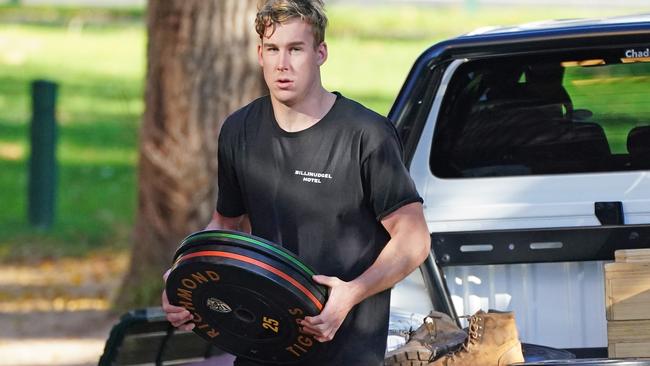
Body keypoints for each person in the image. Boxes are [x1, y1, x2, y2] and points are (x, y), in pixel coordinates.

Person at [162, 0, 431, 365]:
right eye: (272, 49)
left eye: (295, 49)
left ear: (320, 53)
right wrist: (181, 276)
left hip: (345, 348)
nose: (282, 64)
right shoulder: (239, 130)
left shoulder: (365, 134)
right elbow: (225, 224)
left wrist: (351, 293)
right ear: (259, 54)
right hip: (261, 340)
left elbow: (414, 239)